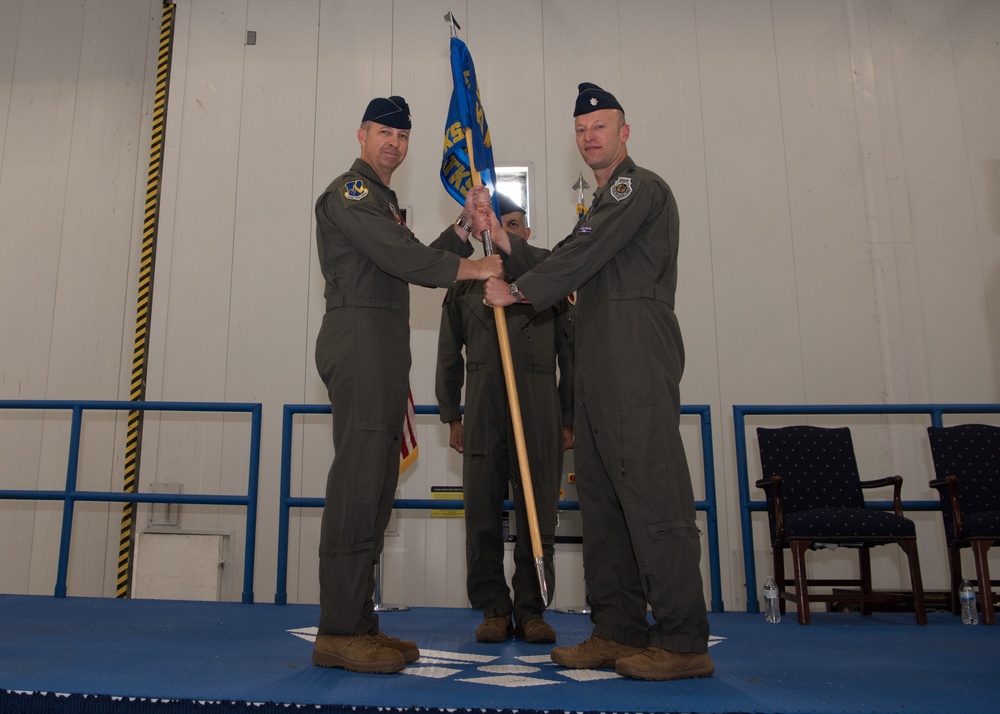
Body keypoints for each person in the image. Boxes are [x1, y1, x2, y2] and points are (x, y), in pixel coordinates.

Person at [479, 83, 713, 681]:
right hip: (597, 365)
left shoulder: (639, 188)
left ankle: (684, 640)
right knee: (603, 504)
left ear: (624, 133)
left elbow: (574, 260)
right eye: (582, 129)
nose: (589, 136)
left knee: (655, 497)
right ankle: (616, 631)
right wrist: (506, 242)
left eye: (600, 126)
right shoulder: (601, 208)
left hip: (636, 355)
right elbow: (567, 252)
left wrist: (519, 289)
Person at [312, 96, 502, 675]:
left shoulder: (382, 201)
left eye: (402, 135)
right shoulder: (349, 194)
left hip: (383, 346)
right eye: (383, 132)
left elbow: (409, 258)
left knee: (376, 489)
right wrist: (475, 267)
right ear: (362, 135)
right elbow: (401, 256)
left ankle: (360, 623)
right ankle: (338, 630)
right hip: (360, 338)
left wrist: (462, 231)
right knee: (357, 485)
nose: (393, 143)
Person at [435, 193, 574, 644]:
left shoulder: (550, 283)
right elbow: (447, 356)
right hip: (482, 408)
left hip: (537, 406)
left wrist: (568, 416)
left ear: (526, 232)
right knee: (481, 512)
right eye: (497, 225)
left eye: (513, 225)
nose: (506, 234)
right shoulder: (465, 286)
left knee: (539, 512)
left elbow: (572, 355)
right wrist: (451, 415)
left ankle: (532, 609)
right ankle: (494, 608)